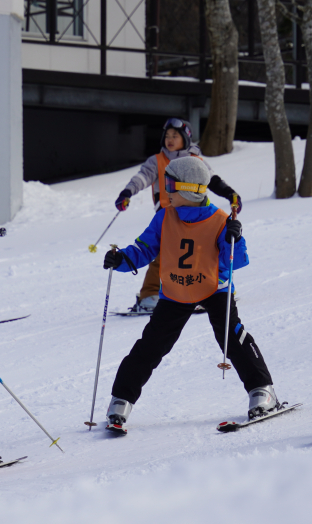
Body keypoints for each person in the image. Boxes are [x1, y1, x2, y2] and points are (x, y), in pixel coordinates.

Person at [101, 156, 279, 431]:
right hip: (175, 291)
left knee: (231, 336)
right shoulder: (164, 216)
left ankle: (262, 390)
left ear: (188, 190)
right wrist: (122, 259)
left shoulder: (219, 220)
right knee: (150, 345)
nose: (165, 191)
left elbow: (236, 262)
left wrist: (235, 238)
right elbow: (144, 250)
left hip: (213, 288)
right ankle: (121, 400)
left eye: (169, 185)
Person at [114, 118, 243, 314]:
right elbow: (141, 178)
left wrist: (230, 194)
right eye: (167, 136)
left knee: (202, 253)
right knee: (160, 255)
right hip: (166, 216)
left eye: (175, 136)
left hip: (195, 216)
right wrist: (127, 193)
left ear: (185, 138)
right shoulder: (157, 161)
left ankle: (211, 290)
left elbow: (213, 180)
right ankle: (149, 295)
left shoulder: (195, 161)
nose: (170, 140)